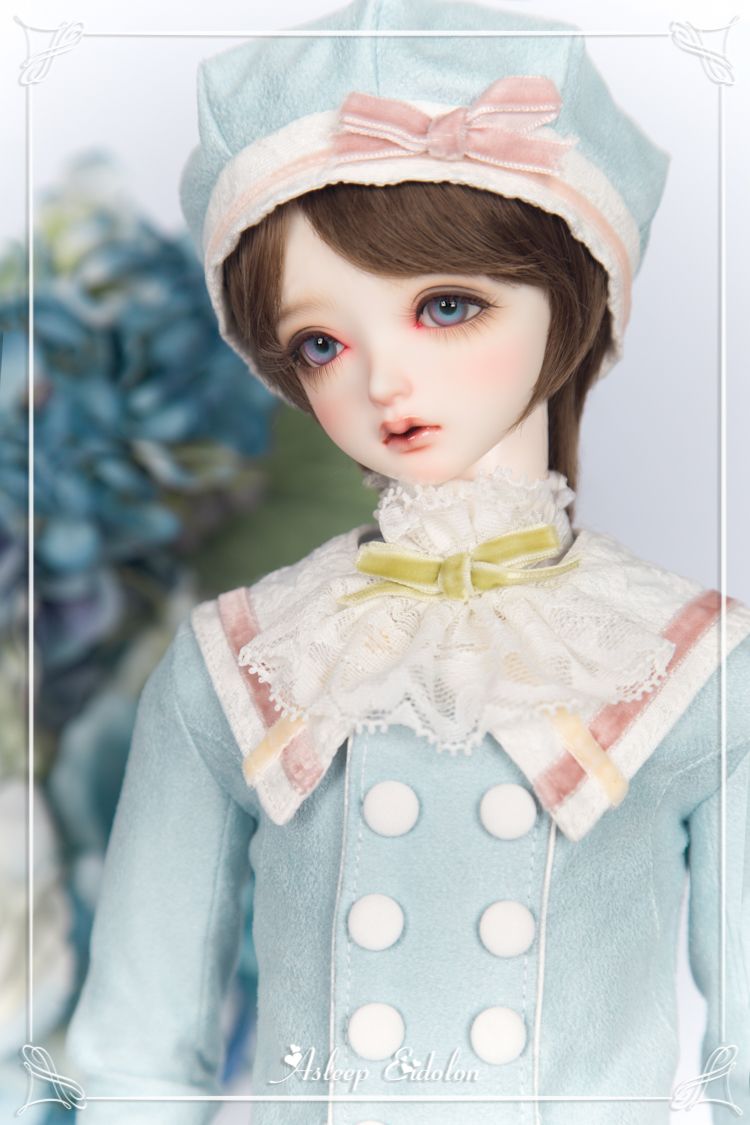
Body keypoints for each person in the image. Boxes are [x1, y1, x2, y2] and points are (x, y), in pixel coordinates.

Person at [65, 1, 750, 1123]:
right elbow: (135, 1057)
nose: (383, 381)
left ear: (573, 296)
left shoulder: (693, 665)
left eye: (447, 305)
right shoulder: (243, 662)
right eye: (322, 343)